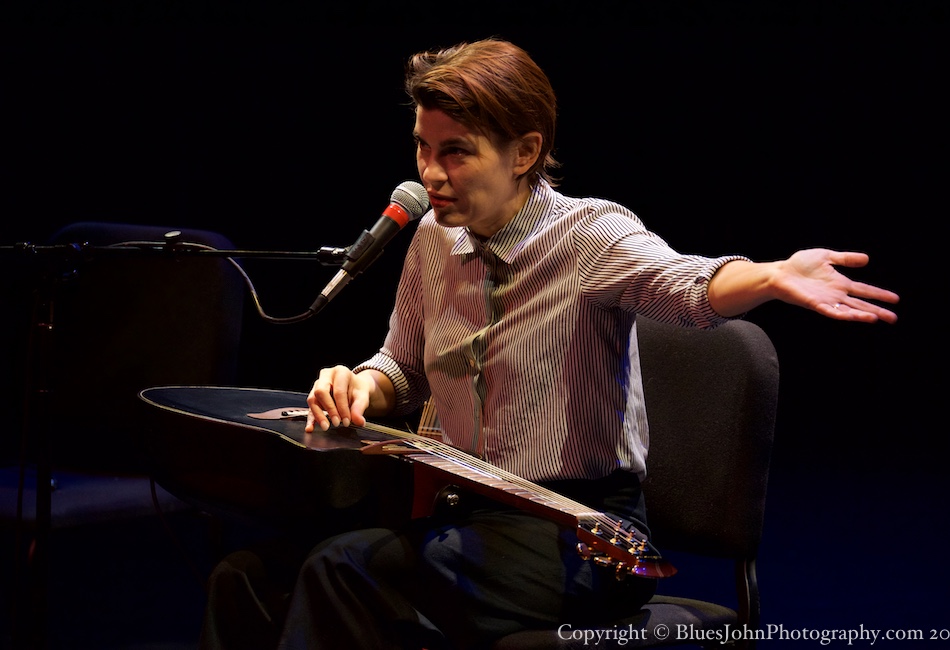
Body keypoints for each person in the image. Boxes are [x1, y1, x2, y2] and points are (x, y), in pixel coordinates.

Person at [201, 38, 899, 650]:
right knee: (251, 579)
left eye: (455, 153)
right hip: (458, 516)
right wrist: (364, 384)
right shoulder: (432, 239)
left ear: (525, 151)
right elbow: (403, 364)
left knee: (344, 574)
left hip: (581, 535)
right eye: (421, 146)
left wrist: (772, 276)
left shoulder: (588, 237)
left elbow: (682, 285)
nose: (431, 174)